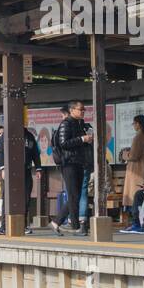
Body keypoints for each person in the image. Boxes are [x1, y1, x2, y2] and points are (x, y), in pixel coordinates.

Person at [51, 101, 94, 236]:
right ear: (72, 110)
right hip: (68, 163)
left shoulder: (80, 124)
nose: (82, 112)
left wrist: (87, 140)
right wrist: (82, 139)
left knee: (75, 195)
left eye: (84, 110)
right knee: (73, 194)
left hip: (79, 162)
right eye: (80, 109)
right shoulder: (66, 123)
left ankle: (60, 223)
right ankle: (72, 225)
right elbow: (63, 143)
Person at [120, 114, 144, 223]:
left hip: (135, 170)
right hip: (143, 169)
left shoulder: (137, 137)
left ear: (138, 124)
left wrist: (125, 155)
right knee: (138, 196)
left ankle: (136, 221)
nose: (133, 126)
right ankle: (137, 220)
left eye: (134, 123)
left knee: (134, 197)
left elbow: (133, 156)